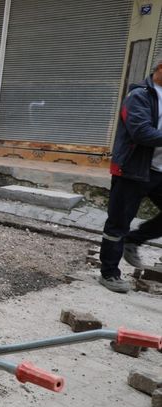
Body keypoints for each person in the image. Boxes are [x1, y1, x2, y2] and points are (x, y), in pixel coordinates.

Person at [98, 61, 162, 293]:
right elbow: (141, 132)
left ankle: (134, 240)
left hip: (158, 170)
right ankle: (109, 273)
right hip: (132, 170)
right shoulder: (139, 96)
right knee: (118, 223)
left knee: (124, 229)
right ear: (160, 68)